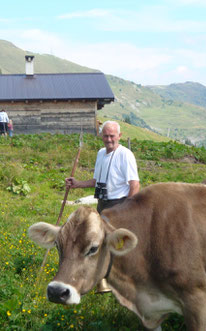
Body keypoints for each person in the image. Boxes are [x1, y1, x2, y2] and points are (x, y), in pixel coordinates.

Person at [65, 120, 140, 293]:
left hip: (119, 203)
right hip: (102, 202)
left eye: (112, 136)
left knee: (115, 243)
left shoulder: (125, 154)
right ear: (101, 136)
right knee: (101, 241)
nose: (109, 139)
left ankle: (123, 282)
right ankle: (103, 281)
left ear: (119, 136)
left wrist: (129, 209)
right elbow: (97, 181)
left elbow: (134, 185)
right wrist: (77, 184)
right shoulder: (101, 154)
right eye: (105, 136)